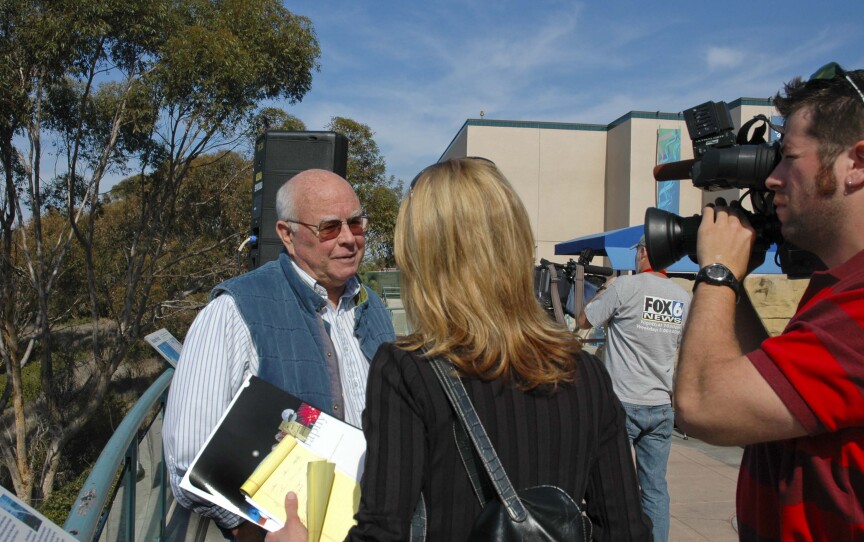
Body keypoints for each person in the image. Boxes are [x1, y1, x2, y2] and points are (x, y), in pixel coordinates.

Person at [267, 157, 652, 541]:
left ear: (423, 256)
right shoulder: (585, 374)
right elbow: (628, 530)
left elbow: (382, 533)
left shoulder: (406, 370)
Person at [673, 63, 864, 540]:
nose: (773, 179)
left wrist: (716, 272)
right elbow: (754, 392)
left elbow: (702, 404)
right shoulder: (836, 289)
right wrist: (733, 285)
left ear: (857, 163)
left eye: (789, 158)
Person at [163, 169, 396, 541]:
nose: (350, 239)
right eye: (330, 228)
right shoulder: (234, 312)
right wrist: (251, 528)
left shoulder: (374, 309)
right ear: (287, 235)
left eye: (356, 223)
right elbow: (188, 459)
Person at [576, 235, 690, 542]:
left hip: (622, 403)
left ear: (642, 254)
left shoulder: (625, 288)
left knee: (609, 485)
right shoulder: (682, 298)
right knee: (654, 488)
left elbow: (584, 320)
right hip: (660, 406)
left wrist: (605, 287)